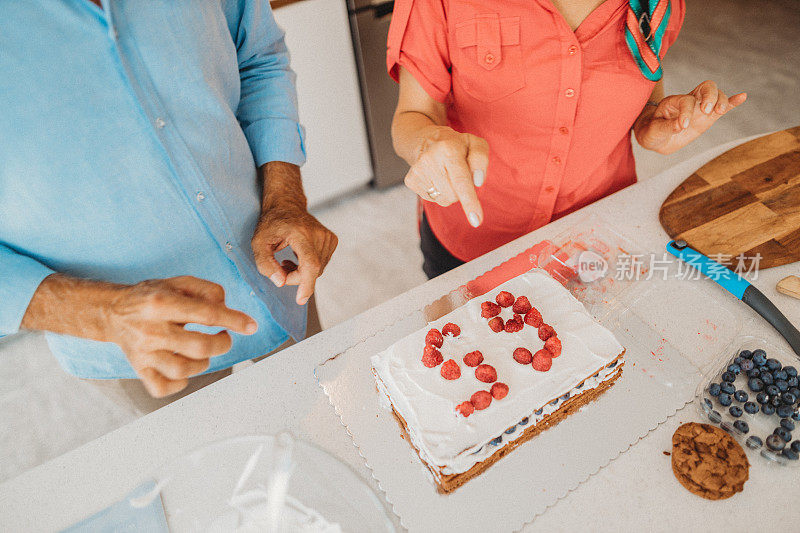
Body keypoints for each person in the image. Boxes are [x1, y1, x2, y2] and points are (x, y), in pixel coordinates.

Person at [0, 1, 337, 412]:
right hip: (137, 349)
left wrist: (284, 197)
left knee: (329, 427)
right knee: (219, 472)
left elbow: (258, 57)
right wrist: (106, 313)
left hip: (280, 282)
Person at [388, 0, 747, 278]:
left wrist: (656, 122)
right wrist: (428, 144)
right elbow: (413, 116)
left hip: (595, 237)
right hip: (472, 243)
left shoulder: (655, 4)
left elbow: (645, 91)